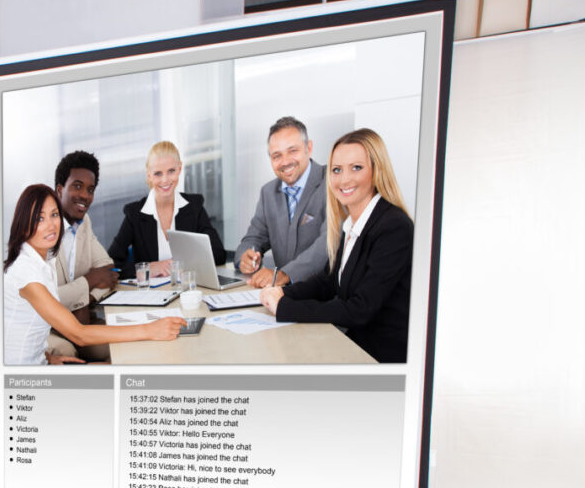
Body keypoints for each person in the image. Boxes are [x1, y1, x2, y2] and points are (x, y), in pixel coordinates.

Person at [258, 128, 413, 364]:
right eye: (337, 170)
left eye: (356, 168)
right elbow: (329, 281)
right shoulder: (352, 224)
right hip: (353, 344)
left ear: (376, 170)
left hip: (379, 357)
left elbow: (359, 309)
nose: (344, 179)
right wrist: (282, 292)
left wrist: (285, 307)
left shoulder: (393, 227)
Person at [3, 184, 184, 366]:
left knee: (129, 362)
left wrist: (48, 358)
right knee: (128, 366)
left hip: (40, 362)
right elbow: (79, 334)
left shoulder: (44, 258)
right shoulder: (25, 272)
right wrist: (151, 330)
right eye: (39, 219)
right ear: (23, 224)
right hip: (22, 374)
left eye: (54, 215)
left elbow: (26, 326)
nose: (51, 225)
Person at [106, 140, 226, 278]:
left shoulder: (194, 207)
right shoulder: (135, 214)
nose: (165, 180)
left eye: (171, 171)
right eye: (158, 173)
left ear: (180, 169)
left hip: (186, 291)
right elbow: (111, 265)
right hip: (151, 296)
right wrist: (148, 269)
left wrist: (180, 265)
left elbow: (218, 254)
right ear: (149, 175)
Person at [234, 116, 330, 288]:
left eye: (293, 151)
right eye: (276, 156)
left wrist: (286, 274)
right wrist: (245, 258)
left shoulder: (331, 182)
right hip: (282, 296)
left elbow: (329, 243)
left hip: (324, 295)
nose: (285, 162)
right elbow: (253, 238)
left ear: (309, 147)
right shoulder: (268, 192)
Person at [52, 150, 118, 309]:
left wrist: (86, 301)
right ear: (60, 190)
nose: (85, 195)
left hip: (80, 322)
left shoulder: (84, 222)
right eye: (77, 186)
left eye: (90, 189)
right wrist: (90, 280)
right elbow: (43, 298)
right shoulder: (42, 228)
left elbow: (109, 270)